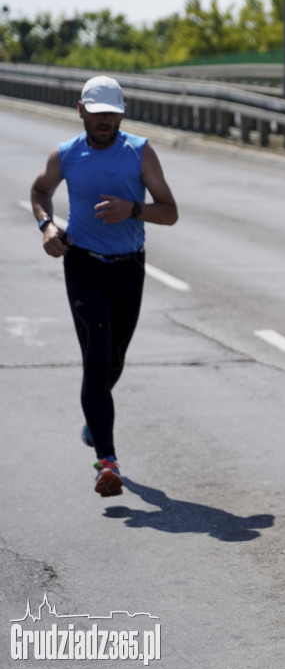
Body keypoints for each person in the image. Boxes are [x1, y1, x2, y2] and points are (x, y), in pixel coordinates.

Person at [30, 75, 179, 498]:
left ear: (121, 112)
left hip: (129, 267)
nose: (104, 121)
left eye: (111, 113)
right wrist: (46, 227)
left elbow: (169, 213)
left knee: (114, 359)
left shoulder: (139, 151)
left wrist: (132, 209)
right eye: (96, 113)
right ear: (81, 109)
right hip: (82, 265)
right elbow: (40, 190)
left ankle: (93, 419)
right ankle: (107, 461)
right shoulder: (66, 154)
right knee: (97, 357)